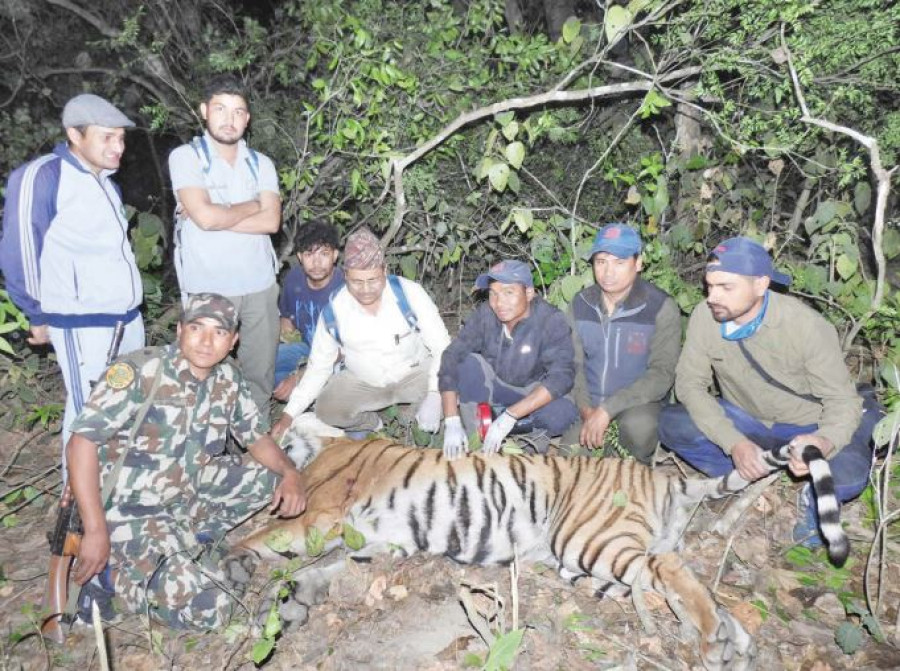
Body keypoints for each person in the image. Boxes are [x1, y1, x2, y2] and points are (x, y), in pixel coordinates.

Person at [66, 294, 306, 629]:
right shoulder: (139, 372)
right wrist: (95, 528)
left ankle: (190, 538)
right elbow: (81, 444)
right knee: (213, 608)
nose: (207, 341)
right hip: (131, 508)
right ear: (179, 330)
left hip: (188, 491)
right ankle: (113, 577)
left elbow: (257, 438)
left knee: (275, 478)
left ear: (233, 340)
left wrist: (290, 472)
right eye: (197, 328)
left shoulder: (227, 378)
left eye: (219, 332)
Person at [658, 237, 881, 547]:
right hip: (747, 421)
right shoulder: (704, 318)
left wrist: (824, 441)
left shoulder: (806, 327)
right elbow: (689, 385)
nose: (712, 297)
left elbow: (842, 402)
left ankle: (811, 502)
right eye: (709, 286)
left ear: (761, 284)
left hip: (806, 426)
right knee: (672, 423)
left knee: (851, 475)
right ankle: (738, 476)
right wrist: (733, 442)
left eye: (726, 287)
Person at [0, 93, 145, 468]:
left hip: (126, 321)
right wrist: (36, 313)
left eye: (121, 138)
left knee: (126, 411)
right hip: (83, 326)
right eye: (107, 137)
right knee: (89, 419)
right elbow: (21, 250)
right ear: (75, 135)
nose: (118, 147)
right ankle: (78, 517)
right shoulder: (43, 175)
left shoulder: (106, 183)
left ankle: (115, 497)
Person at [169, 75, 281, 412]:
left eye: (237, 112)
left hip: (260, 285)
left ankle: (251, 441)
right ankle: (202, 442)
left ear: (247, 119)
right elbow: (205, 219)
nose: (228, 119)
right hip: (209, 287)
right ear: (204, 111)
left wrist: (219, 213)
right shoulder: (186, 157)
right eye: (220, 109)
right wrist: (250, 205)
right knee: (203, 370)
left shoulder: (261, 163)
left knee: (259, 371)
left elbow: (271, 222)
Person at [272, 227, 450, 439]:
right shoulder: (334, 310)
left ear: (384, 271)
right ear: (346, 275)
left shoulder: (409, 293)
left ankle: (412, 418)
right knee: (327, 409)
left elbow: (443, 347)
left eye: (373, 280)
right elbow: (318, 368)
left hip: (413, 376)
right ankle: (374, 423)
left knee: (456, 384)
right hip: (366, 384)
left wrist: (434, 393)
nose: (366, 290)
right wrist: (288, 416)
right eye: (356, 282)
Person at [439, 259, 578, 459]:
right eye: (493, 294)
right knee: (468, 364)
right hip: (496, 386)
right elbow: (451, 356)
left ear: (529, 293)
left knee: (562, 414)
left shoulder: (550, 319)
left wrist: (510, 415)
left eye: (508, 292)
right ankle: (476, 439)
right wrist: (451, 419)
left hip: (532, 391)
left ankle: (519, 434)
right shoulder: (486, 313)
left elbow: (561, 376)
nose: (499, 302)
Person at [567, 224, 681, 463]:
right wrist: (587, 410)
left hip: (637, 406)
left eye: (619, 262)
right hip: (591, 405)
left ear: (638, 263)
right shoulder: (581, 304)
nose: (608, 272)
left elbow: (662, 374)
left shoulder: (659, 306)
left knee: (639, 428)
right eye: (601, 262)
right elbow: (573, 365)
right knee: (570, 457)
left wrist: (608, 409)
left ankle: (630, 469)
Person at [273, 221, 344, 402]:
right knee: (262, 363)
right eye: (309, 254)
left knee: (332, 387)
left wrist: (298, 376)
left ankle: (316, 399)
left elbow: (345, 350)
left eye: (324, 254)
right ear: (299, 257)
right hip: (306, 349)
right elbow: (286, 320)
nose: (317, 262)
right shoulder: (294, 278)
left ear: (335, 255)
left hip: (338, 358)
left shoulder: (345, 289)